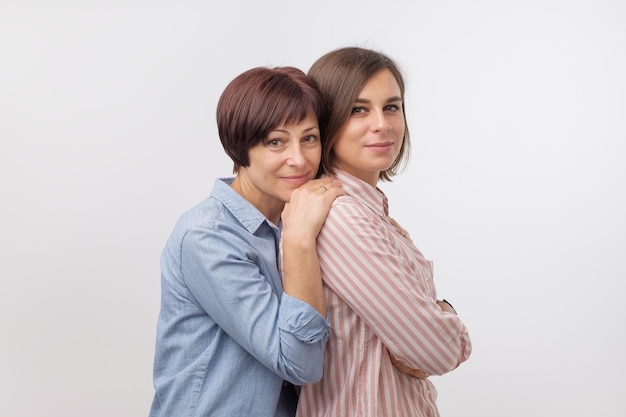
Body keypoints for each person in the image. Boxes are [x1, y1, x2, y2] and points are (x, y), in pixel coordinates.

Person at [149, 66, 343, 417]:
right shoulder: (208, 236)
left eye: (309, 138)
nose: (299, 159)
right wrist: (299, 240)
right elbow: (299, 363)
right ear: (240, 147)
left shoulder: (298, 218)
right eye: (276, 141)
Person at [296, 47, 472, 417]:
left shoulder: (371, 212)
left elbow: (422, 343)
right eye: (359, 109)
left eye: (391, 106)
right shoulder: (343, 216)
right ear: (327, 121)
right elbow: (435, 351)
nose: (382, 124)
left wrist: (439, 316)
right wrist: (451, 331)